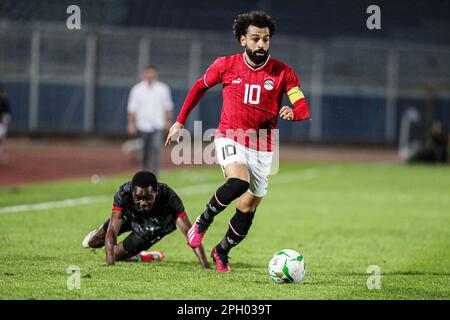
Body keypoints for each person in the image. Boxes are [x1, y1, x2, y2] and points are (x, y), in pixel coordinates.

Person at [165, 11, 311, 272]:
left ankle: (222, 250)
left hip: (263, 147)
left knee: (248, 207)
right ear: (243, 40)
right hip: (230, 136)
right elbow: (199, 87)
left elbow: (303, 107)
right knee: (238, 180)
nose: (261, 45)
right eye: (255, 39)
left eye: (266, 40)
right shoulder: (225, 65)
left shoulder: (283, 73)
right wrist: (179, 121)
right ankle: (203, 221)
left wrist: (294, 112)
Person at [82, 171, 209, 268]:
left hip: (149, 227)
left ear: (156, 192)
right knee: (93, 243)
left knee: (116, 255)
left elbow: (190, 233)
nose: (143, 203)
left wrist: (205, 264)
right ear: (132, 192)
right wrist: (110, 265)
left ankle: (146, 256)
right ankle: (97, 232)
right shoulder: (123, 193)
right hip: (129, 216)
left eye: (148, 198)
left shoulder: (169, 197)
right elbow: (112, 231)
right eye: (138, 198)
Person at [127, 66, 174, 174]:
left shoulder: (163, 89)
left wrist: (168, 121)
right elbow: (132, 109)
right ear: (144, 75)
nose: (150, 76)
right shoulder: (137, 89)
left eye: (152, 73)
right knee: (144, 150)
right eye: (148, 73)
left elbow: (168, 107)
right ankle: (144, 170)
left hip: (158, 125)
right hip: (143, 125)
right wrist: (131, 124)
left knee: (156, 147)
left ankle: (154, 171)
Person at [0, 84, 12, 164]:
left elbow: (7, 114)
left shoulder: (5, 101)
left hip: (1, 124)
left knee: (1, 139)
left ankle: (0, 155)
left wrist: (6, 123)